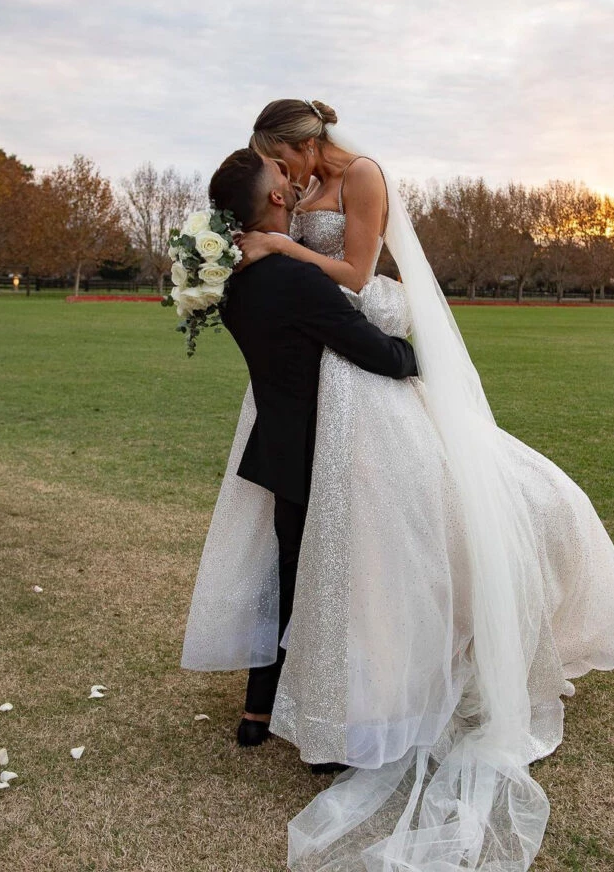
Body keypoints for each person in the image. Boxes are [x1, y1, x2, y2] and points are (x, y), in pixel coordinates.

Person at [182, 100, 614, 871]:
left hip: (346, 335)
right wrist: (269, 246)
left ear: (303, 145)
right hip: (322, 364)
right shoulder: (290, 203)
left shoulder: (361, 176)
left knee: (367, 526)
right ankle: (319, 687)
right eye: (276, 169)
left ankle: (306, 692)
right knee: (319, 541)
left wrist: (280, 249)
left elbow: (358, 275)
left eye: (283, 158)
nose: (288, 176)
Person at [182, 147, 417, 766]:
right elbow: (376, 353)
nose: (290, 177)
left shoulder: (231, 280)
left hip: (278, 443)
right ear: (280, 200)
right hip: (331, 448)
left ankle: (259, 708)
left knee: (285, 570)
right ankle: (328, 727)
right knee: (336, 583)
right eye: (281, 176)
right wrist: (415, 358)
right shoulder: (293, 277)